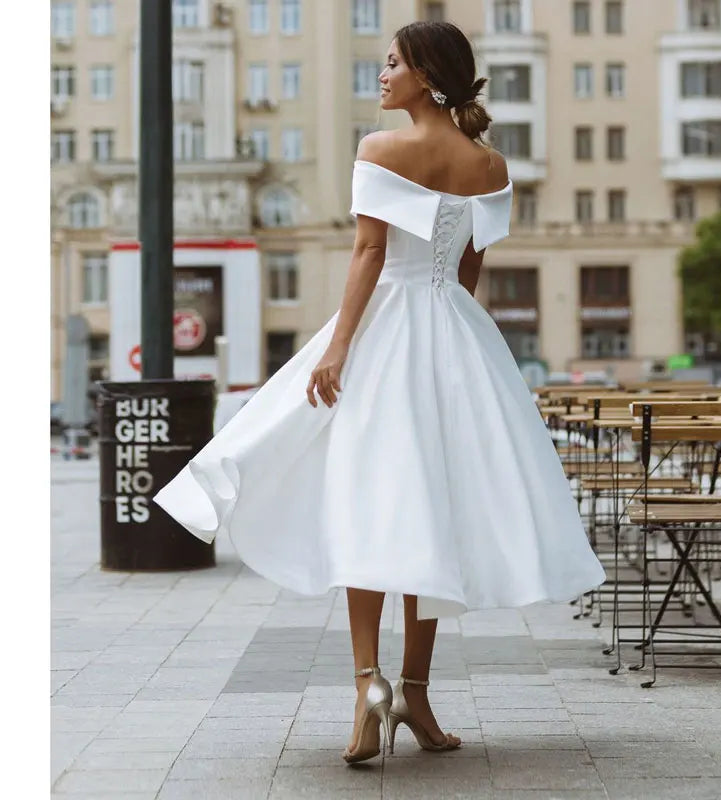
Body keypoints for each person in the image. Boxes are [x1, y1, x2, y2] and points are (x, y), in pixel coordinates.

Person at [154, 20, 606, 765]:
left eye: (393, 63)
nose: (382, 74)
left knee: (370, 505)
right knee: (432, 515)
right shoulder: (489, 163)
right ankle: (416, 693)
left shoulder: (380, 149)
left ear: (426, 74)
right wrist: (457, 345)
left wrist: (338, 348)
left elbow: (369, 251)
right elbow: (469, 268)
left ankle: (369, 686)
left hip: (384, 330)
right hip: (456, 334)